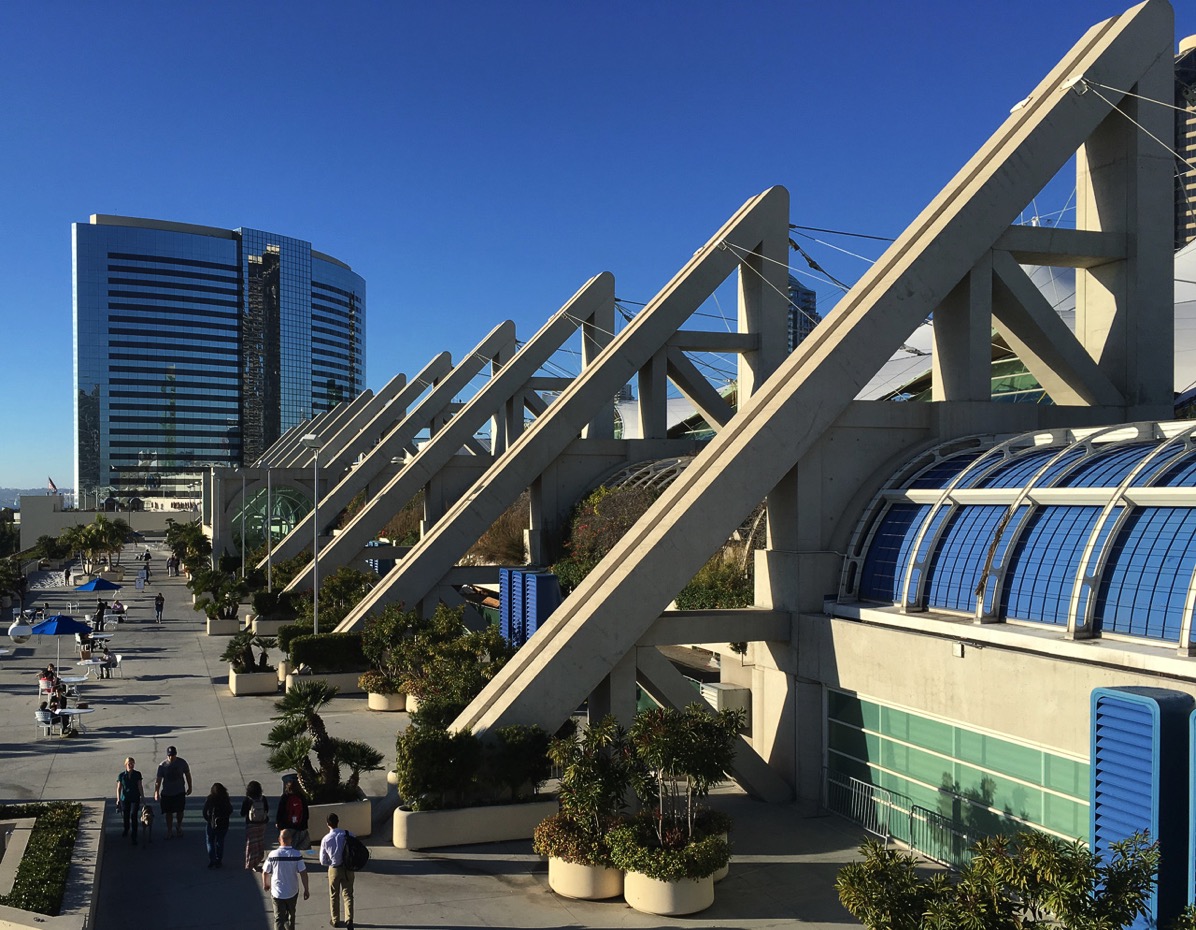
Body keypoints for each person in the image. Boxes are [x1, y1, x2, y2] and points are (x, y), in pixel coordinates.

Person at [263, 828, 309, 930]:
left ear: (279, 839)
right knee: (291, 915)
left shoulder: (272, 855)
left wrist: (265, 884)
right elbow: (303, 873)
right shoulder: (296, 855)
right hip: (292, 891)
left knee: (279, 918)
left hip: (277, 893)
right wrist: (306, 889)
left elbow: (265, 871)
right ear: (291, 839)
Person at [319, 813, 355, 930]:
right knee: (348, 894)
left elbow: (323, 860)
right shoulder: (348, 834)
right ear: (338, 821)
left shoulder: (326, 839)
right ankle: (349, 919)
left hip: (334, 869)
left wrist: (330, 863)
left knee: (334, 895)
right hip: (348, 868)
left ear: (327, 824)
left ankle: (335, 920)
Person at [154, 745, 192, 838]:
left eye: (173, 755)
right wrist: (156, 792)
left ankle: (178, 826)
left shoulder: (182, 763)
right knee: (168, 812)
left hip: (179, 791)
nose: (171, 757)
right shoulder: (162, 766)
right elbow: (158, 780)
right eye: (169, 755)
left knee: (180, 811)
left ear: (176, 754)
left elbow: (187, 774)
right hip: (167, 792)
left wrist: (190, 787)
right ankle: (169, 830)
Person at [240, 780, 270, 871]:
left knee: (252, 845)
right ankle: (259, 858)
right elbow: (267, 810)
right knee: (260, 842)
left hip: (251, 825)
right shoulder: (263, 798)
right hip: (262, 824)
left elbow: (242, 813)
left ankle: (252, 863)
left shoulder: (248, 800)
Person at [202, 783, 234, 868]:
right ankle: (219, 860)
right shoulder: (226, 799)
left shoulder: (210, 799)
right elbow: (230, 810)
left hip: (212, 824)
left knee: (210, 842)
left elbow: (204, 812)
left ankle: (212, 860)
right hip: (223, 824)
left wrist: (209, 820)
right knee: (220, 841)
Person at [275, 778, 310, 851]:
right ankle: (296, 857)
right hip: (300, 826)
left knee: (286, 844)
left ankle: (287, 858)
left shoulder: (285, 796)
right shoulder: (301, 797)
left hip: (287, 826)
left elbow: (280, 811)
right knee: (297, 846)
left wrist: (278, 823)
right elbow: (306, 813)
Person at [116, 757, 144, 845]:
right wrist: (118, 799)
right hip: (125, 798)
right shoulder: (121, 775)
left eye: (132, 763)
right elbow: (119, 788)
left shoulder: (137, 774)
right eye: (129, 763)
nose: (130, 765)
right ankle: (126, 828)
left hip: (135, 798)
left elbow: (140, 786)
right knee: (126, 815)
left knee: (133, 815)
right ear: (125, 764)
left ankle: (134, 835)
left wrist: (142, 797)